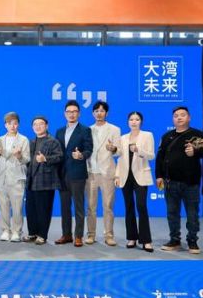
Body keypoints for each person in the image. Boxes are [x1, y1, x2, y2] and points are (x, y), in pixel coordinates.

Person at [156, 106, 203, 254]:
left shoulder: (197, 134)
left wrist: (194, 151)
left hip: (190, 182)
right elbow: (160, 158)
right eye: (176, 116)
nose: (179, 117)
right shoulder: (167, 136)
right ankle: (174, 240)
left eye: (182, 115)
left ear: (189, 117)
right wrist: (159, 176)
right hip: (170, 182)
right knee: (172, 213)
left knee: (192, 214)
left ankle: (192, 241)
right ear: (173, 119)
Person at [114, 112, 155, 252]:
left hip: (141, 175)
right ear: (128, 122)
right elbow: (119, 158)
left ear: (141, 121)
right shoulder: (123, 138)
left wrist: (139, 150)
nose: (134, 122)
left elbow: (151, 155)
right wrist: (117, 176)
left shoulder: (147, 135)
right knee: (129, 206)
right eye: (131, 119)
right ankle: (131, 237)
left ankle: (146, 240)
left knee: (141, 206)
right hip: (125, 176)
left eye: (137, 119)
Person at [54, 101, 93, 247]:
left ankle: (78, 236)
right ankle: (66, 235)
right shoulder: (59, 131)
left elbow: (89, 149)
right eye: (69, 111)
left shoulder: (85, 130)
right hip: (62, 174)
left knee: (78, 206)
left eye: (75, 111)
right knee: (65, 207)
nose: (72, 114)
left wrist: (81, 155)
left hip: (77, 174)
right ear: (65, 114)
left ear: (79, 113)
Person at [85, 101, 121, 246]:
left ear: (106, 113)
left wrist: (113, 149)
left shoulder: (114, 129)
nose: (99, 113)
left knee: (108, 206)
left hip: (107, 173)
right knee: (91, 207)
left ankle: (109, 236)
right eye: (96, 111)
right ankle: (91, 234)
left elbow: (119, 151)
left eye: (102, 111)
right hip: (91, 172)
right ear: (93, 113)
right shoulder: (88, 129)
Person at [24, 116, 63, 245]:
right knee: (31, 210)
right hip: (31, 181)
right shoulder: (31, 142)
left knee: (43, 210)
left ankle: (42, 235)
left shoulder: (53, 141)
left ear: (46, 126)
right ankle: (32, 233)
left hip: (46, 181)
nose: (38, 126)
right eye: (35, 124)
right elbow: (28, 161)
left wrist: (45, 159)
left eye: (41, 124)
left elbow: (59, 157)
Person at [0, 112, 30, 242]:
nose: (12, 126)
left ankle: (17, 231)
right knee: (3, 206)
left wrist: (19, 156)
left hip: (17, 178)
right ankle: (5, 230)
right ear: (5, 125)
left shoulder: (23, 140)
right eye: (9, 123)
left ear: (18, 125)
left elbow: (27, 159)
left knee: (17, 207)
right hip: (1, 178)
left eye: (15, 123)